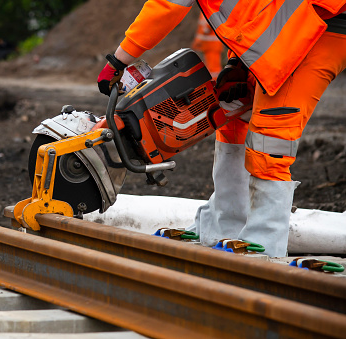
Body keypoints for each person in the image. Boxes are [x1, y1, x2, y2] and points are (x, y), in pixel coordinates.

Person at [97, 0, 346, 257]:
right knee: (234, 116)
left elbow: (166, 5)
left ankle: (264, 242)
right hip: (285, 31)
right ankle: (223, 226)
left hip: (319, 28)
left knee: (271, 137)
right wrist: (238, 63)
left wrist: (118, 60)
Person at [191, 13, 224, 79]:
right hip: (211, 45)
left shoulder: (207, 10)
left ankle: (215, 84)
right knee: (212, 67)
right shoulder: (209, 9)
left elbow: (206, 28)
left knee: (213, 68)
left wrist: (198, 41)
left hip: (212, 45)